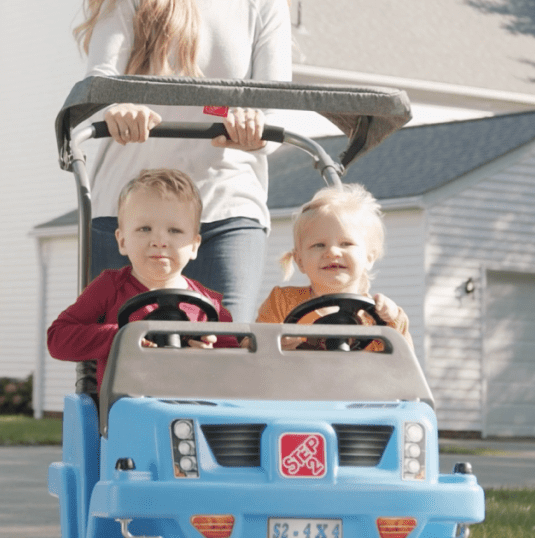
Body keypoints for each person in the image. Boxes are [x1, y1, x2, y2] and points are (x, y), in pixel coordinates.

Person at [73, 0, 292, 322]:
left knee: (223, 346)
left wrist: (251, 124)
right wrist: (117, 106)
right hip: (129, 210)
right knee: (117, 354)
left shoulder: (262, 5)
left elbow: (274, 106)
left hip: (225, 206)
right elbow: (100, 82)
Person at [48, 169, 235, 390]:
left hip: (190, 409)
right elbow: (58, 339)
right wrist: (120, 337)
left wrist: (210, 356)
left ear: (194, 245)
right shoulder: (110, 287)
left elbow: (235, 367)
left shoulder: (209, 305)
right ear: (122, 240)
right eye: (145, 229)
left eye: (174, 230)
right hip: (125, 410)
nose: (159, 241)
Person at [256, 184, 414, 351]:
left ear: (369, 257)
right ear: (300, 261)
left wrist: (394, 319)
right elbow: (252, 348)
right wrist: (275, 341)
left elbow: (403, 365)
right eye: (318, 245)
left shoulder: (377, 317)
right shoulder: (282, 302)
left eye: (346, 243)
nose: (332, 252)